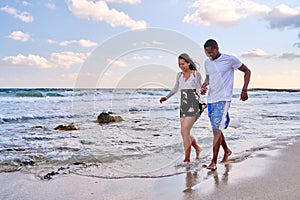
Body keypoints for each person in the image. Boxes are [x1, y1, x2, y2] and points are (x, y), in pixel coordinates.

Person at [201, 39, 251, 170]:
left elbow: (247, 71)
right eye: (207, 53)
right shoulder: (207, 63)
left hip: (223, 99)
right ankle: (227, 150)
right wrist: (204, 84)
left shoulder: (230, 59)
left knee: (216, 130)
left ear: (217, 48)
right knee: (216, 127)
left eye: (211, 52)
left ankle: (213, 162)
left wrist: (244, 89)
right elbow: (208, 77)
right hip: (211, 99)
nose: (209, 55)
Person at [160, 53, 205, 163]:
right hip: (184, 104)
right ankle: (198, 148)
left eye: (183, 64)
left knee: (184, 131)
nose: (181, 66)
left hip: (194, 103)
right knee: (185, 132)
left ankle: (187, 159)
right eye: (179, 64)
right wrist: (166, 97)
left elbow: (200, 89)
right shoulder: (179, 75)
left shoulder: (196, 74)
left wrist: (203, 97)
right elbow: (175, 89)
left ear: (189, 63)